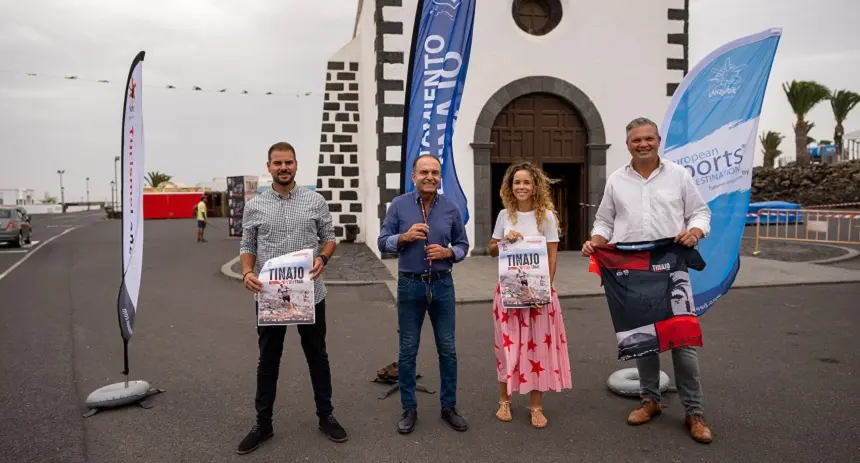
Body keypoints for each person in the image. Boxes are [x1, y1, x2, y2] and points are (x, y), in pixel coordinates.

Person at [582, 117, 714, 444]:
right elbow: (604, 221)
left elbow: (701, 213)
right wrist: (595, 242)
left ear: (658, 140)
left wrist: (695, 231)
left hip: (672, 268)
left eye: (648, 139)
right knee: (642, 339)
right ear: (628, 145)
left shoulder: (679, 175)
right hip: (634, 272)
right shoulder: (616, 180)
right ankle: (650, 400)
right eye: (636, 140)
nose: (642, 144)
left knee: (682, 343)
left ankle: (694, 412)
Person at [236, 141, 347, 455]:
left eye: (288, 162)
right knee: (268, 360)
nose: (283, 168)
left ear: (296, 164)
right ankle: (263, 424)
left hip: (310, 292)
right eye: (277, 163)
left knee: (317, 356)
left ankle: (326, 416)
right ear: (269, 166)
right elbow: (247, 245)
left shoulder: (315, 200)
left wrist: (322, 259)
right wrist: (246, 273)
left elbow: (329, 238)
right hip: (270, 295)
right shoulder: (255, 205)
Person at [377, 154, 470, 435]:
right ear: (414, 176)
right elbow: (383, 242)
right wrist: (403, 237)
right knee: (407, 350)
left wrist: (449, 252)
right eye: (424, 172)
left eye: (435, 172)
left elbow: (464, 245)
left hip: (442, 283)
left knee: (448, 350)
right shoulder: (399, 205)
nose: (430, 177)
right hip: (410, 284)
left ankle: (449, 407)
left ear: (440, 177)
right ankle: (409, 407)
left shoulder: (451, 208)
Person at [488, 162, 572, 429]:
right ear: (509, 187)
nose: (521, 187)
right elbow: (491, 250)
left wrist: (543, 290)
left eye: (526, 182)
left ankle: (536, 406)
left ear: (535, 186)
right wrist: (503, 242)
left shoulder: (546, 216)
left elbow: (552, 257)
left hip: (538, 293)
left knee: (538, 349)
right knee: (507, 347)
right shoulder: (504, 216)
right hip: (508, 291)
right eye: (516, 182)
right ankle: (505, 401)